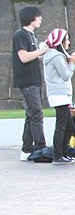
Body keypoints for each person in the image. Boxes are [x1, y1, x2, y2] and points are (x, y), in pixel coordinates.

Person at [11, 5, 50, 160]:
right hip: (27, 81)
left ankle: (27, 149)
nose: (40, 19)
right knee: (37, 114)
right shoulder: (20, 35)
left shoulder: (33, 36)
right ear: (30, 18)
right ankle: (40, 148)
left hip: (35, 79)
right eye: (38, 16)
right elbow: (24, 57)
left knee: (31, 114)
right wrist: (42, 50)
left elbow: (34, 56)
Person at [42, 28, 75, 164]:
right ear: (60, 42)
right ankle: (58, 155)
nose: (68, 42)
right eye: (66, 39)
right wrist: (72, 63)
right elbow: (66, 74)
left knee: (68, 126)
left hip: (59, 94)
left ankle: (63, 153)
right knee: (62, 125)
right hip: (59, 94)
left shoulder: (52, 55)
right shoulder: (56, 56)